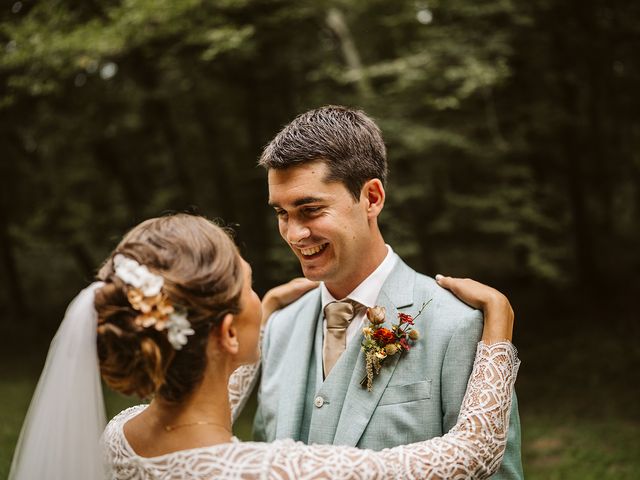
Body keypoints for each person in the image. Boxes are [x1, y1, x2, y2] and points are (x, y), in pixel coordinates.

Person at [9, 213, 520, 479]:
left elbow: (205, 404)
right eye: (249, 287)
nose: (261, 297)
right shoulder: (267, 471)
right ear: (227, 334)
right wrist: (497, 328)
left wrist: (266, 306)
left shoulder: (120, 438)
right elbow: (471, 455)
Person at [255, 105, 523, 478]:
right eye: (282, 214)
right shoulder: (278, 327)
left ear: (372, 198)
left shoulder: (459, 326)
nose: (294, 233)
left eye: (311, 210)